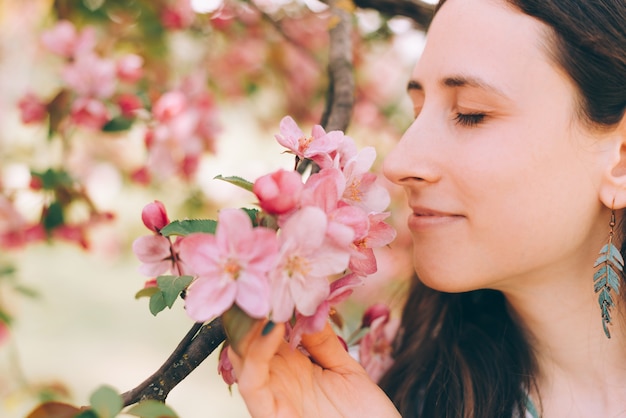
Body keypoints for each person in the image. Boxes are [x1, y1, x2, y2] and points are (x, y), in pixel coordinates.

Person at [226, 0, 626, 416]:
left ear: (619, 160)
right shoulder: (406, 395)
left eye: (471, 114)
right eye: (417, 113)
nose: (398, 163)